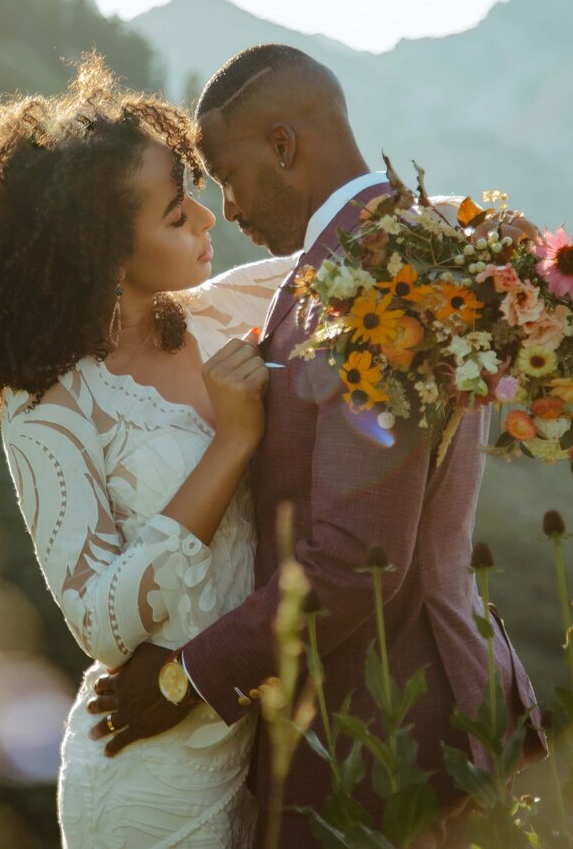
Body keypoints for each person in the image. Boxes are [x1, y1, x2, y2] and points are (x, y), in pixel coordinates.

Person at [88, 44, 547, 846]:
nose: (226, 211)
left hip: (389, 727)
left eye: (227, 177)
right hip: (401, 703)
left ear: (284, 147)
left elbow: (354, 554)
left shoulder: (373, 275)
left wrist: (186, 675)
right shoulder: (390, 245)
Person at [0, 54, 296, 846]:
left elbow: (360, 264)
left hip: (248, 756)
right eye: (176, 211)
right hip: (144, 783)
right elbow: (102, 624)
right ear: (106, 254)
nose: (207, 220)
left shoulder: (222, 313)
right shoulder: (49, 407)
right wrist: (231, 444)